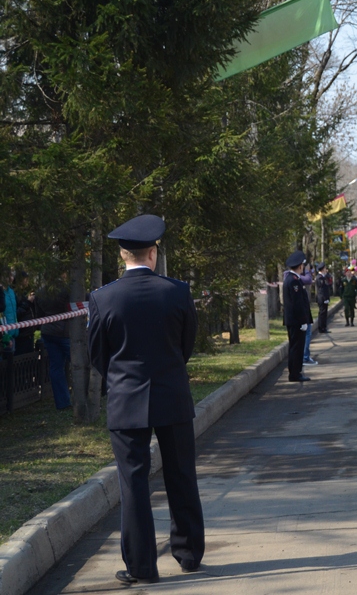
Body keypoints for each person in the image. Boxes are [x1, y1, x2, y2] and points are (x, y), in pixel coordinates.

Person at [87, 214, 203, 585]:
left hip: (125, 400)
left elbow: (97, 354)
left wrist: (123, 378)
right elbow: (186, 344)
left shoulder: (103, 298)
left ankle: (142, 566)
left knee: (133, 483)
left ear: (123, 255)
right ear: (152, 253)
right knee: (181, 474)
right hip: (172, 394)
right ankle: (188, 554)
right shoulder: (177, 291)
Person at [37, 282, 73, 410]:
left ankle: (62, 402)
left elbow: (38, 313)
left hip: (48, 331)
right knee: (79, 364)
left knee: (56, 367)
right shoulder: (66, 289)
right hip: (64, 331)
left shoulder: (40, 291)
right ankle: (85, 396)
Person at [283, 251, 313, 382]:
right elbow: (297, 304)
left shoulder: (293, 279)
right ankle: (295, 373)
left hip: (294, 320)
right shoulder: (293, 281)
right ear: (300, 266)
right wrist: (303, 321)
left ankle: (294, 372)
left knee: (295, 346)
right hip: (296, 321)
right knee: (297, 347)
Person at [315, 263, 331, 334]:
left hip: (324, 297)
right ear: (322, 269)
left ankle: (323, 327)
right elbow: (321, 290)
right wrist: (325, 298)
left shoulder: (324, 277)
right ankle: (321, 328)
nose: (326, 269)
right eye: (325, 268)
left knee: (324, 313)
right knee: (322, 313)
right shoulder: (319, 278)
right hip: (322, 298)